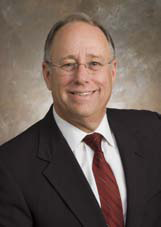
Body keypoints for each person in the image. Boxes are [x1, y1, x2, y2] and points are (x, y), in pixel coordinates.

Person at [0, 12, 161, 227]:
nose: (82, 78)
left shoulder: (154, 130)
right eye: (68, 65)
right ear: (47, 74)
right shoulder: (10, 167)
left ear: (112, 72)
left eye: (94, 63)